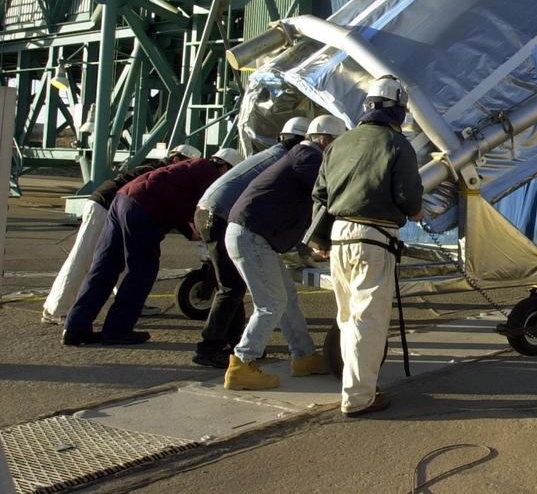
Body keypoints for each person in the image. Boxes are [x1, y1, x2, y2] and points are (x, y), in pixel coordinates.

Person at [313, 77, 423, 416]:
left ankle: (356, 387)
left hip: (338, 237)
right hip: (373, 240)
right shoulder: (396, 144)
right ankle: (359, 398)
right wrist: (416, 212)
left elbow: (320, 195)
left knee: (347, 318)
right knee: (369, 321)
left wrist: (318, 240)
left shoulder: (340, 143)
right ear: (399, 110)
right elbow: (408, 198)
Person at [62, 148, 242, 346]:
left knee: (104, 267)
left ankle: (75, 328)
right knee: (142, 271)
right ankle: (117, 330)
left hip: (122, 200)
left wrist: (188, 229)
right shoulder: (211, 175)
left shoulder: (192, 167)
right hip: (143, 209)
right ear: (225, 166)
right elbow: (205, 209)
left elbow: (173, 195)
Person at [223, 116, 347, 390]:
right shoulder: (308, 154)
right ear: (325, 140)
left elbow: (310, 208)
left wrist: (318, 242)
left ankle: (304, 357)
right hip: (252, 236)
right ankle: (243, 363)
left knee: (286, 298)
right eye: (338, 146)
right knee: (271, 303)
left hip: (254, 236)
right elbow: (329, 193)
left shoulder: (303, 156)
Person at [192, 117, 311, 369]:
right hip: (223, 215)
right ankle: (211, 348)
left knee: (236, 284)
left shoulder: (272, 154)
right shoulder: (290, 159)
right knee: (234, 287)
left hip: (210, 211)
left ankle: (235, 343)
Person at [42, 144, 200, 325]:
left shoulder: (157, 170)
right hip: (104, 207)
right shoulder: (164, 174)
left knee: (124, 260)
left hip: (111, 206)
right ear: (177, 159)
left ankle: (132, 305)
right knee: (83, 257)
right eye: (187, 163)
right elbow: (172, 206)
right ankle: (57, 309)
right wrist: (190, 232)